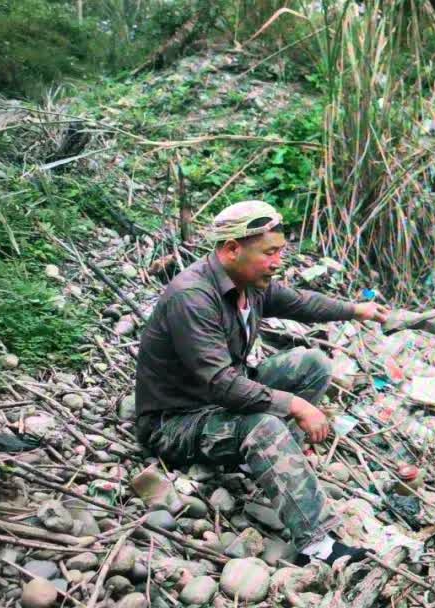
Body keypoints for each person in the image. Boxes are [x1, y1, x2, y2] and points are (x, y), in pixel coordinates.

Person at [133, 200, 388, 565]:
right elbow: (223, 384)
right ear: (232, 248)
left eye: (280, 251)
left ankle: (280, 466)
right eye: (269, 252)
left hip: (218, 402)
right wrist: (296, 405)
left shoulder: (247, 280)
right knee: (265, 425)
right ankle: (318, 546)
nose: (277, 262)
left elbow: (300, 302)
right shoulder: (194, 298)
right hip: (176, 421)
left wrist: (356, 310)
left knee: (312, 364)